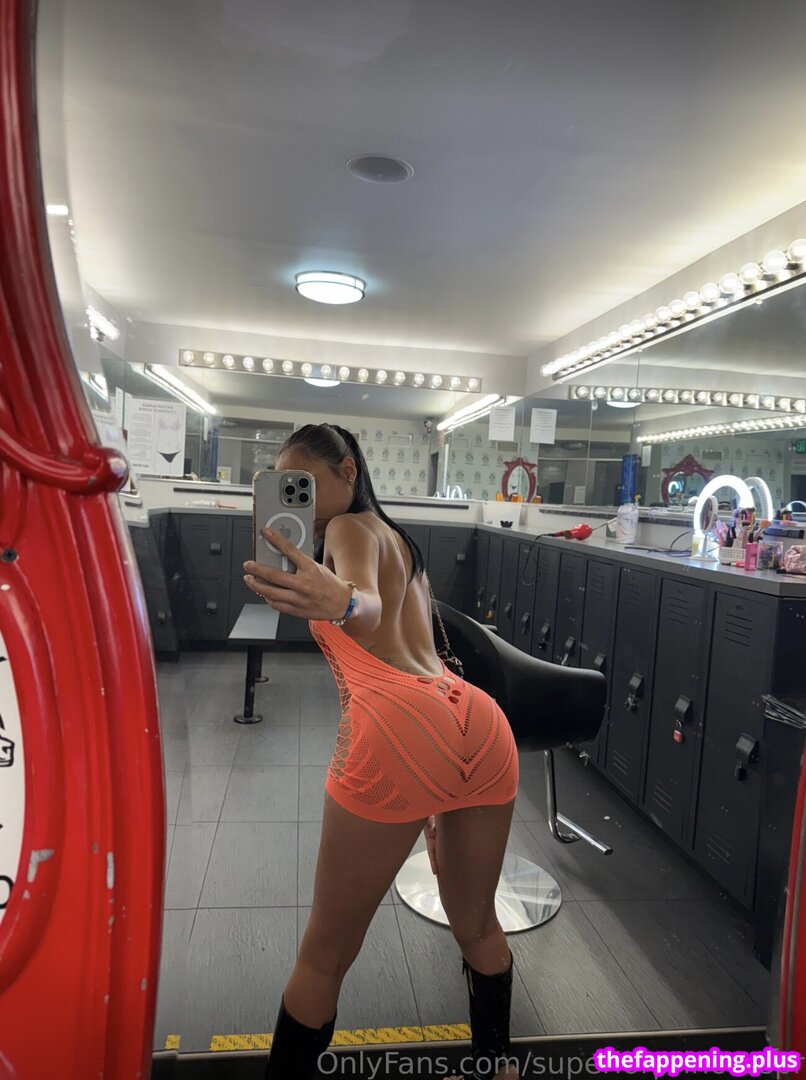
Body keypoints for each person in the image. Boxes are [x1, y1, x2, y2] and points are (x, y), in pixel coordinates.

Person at [243, 423, 520, 1080]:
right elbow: (409, 642)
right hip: (477, 723)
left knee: (323, 957)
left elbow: (364, 606)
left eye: (308, 482)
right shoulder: (402, 543)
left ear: (348, 470)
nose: (304, 500)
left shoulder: (348, 530)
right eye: (289, 487)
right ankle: (498, 1067)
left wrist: (341, 601)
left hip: (400, 727)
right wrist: (433, 791)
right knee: (478, 926)